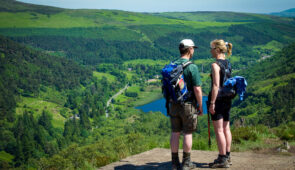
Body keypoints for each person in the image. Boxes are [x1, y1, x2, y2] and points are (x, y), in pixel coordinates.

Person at [169, 39, 203, 170]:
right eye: (193, 48)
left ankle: (174, 162)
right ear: (189, 50)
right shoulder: (191, 67)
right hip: (188, 105)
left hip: (173, 104)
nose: (193, 50)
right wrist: (200, 106)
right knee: (188, 133)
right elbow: (197, 89)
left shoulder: (172, 65)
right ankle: (186, 162)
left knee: (175, 132)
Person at [208, 39, 233, 168]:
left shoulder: (215, 65)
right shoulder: (228, 63)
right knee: (226, 129)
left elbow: (216, 85)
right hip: (227, 99)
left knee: (218, 131)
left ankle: (222, 159)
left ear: (217, 50)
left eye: (211, 48)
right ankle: (227, 156)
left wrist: (212, 103)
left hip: (218, 100)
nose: (210, 51)